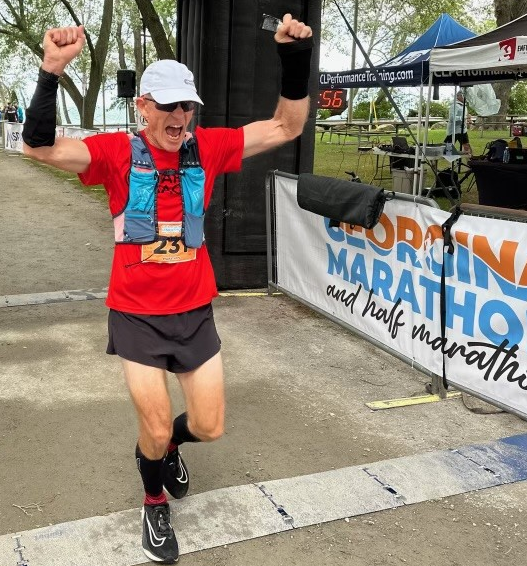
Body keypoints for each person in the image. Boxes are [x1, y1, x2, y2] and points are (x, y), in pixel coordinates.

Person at [21, 16, 313, 564]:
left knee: (208, 426)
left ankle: (171, 450)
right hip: (134, 316)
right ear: (144, 106)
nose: (180, 118)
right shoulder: (114, 153)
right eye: (169, 106)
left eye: (188, 108)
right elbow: (38, 149)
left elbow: (285, 127)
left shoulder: (210, 147)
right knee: (152, 427)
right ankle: (154, 499)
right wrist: (51, 71)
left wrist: (293, 58)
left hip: (194, 314)